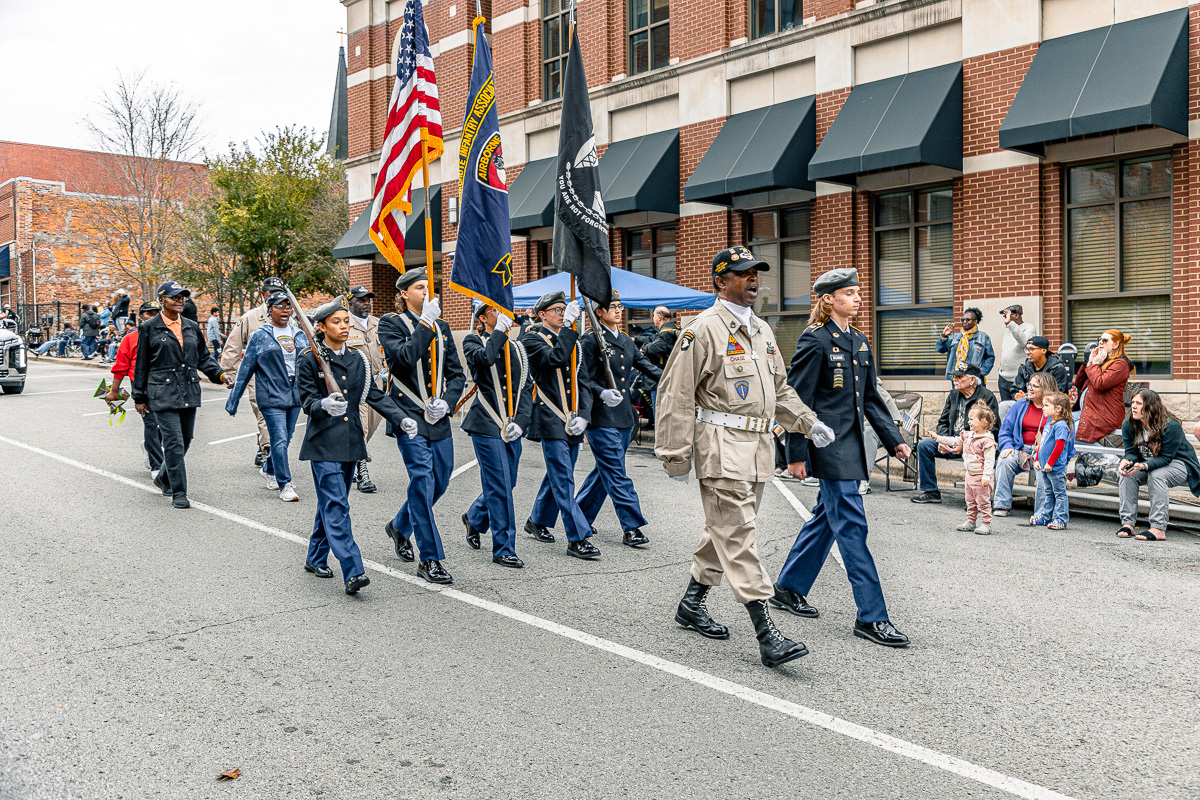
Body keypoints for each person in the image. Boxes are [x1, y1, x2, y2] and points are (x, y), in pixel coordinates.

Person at [656, 246, 830, 668]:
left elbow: (780, 390)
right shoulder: (702, 330)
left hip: (757, 450)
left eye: (756, 273)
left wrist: (808, 423)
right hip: (720, 447)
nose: (753, 280)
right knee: (738, 536)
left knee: (724, 530)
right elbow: (676, 394)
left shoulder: (761, 330)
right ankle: (767, 633)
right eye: (743, 273)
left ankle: (691, 603)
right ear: (720, 282)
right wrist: (675, 454)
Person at [777, 267, 914, 649]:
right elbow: (796, 401)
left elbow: (870, 398)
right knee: (852, 526)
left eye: (857, 292)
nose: (857, 298)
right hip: (828, 448)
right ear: (828, 299)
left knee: (827, 518)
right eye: (849, 293)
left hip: (851, 446)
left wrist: (894, 440)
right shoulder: (815, 340)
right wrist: (795, 454)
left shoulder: (858, 340)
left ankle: (788, 588)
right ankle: (871, 616)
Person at [378, 268, 465, 584]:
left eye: (429, 286)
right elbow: (404, 357)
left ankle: (400, 525)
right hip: (408, 416)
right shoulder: (390, 323)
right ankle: (430, 558)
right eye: (419, 287)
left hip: (436, 416)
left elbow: (457, 374)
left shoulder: (442, 326)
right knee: (422, 481)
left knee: (440, 480)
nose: (427, 291)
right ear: (404, 294)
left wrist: (448, 402)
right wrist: (425, 323)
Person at [296, 298, 374, 595]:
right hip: (324, 442)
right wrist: (323, 405)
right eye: (336, 322)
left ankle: (315, 557)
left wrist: (402, 417)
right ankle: (353, 570)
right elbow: (307, 402)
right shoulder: (309, 358)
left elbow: (371, 395)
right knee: (337, 504)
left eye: (346, 321)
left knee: (332, 503)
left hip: (350, 441)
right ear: (321, 327)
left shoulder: (357, 358)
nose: (344, 326)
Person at [132, 281, 232, 509]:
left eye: (182, 297)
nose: (180, 300)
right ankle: (179, 492)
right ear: (162, 300)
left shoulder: (191, 326)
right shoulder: (149, 327)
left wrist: (220, 375)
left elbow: (203, 357)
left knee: (186, 440)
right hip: (162, 391)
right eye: (174, 297)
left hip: (188, 389)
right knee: (174, 443)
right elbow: (141, 364)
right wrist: (139, 397)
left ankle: (162, 477)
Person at [576, 294, 662, 547]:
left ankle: (579, 516)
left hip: (624, 417)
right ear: (598, 312)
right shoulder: (590, 340)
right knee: (616, 472)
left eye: (619, 306)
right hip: (601, 416)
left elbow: (646, 365)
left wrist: (673, 377)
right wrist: (600, 392)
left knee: (604, 471)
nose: (617, 310)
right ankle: (631, 526)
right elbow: (583, 378)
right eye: (611, 306)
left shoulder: (624, 339)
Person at [521, 291, 598, 558]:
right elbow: (554, 359)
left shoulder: (571, 340)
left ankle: (538, 519)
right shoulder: (532, 339)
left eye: (564, 310)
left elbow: (583, 381)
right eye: (556, 310)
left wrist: (584, 415)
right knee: (564, 478)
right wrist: (567, 328)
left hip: (571, 419)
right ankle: (577, 538)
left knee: (557, 474)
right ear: (542, 315)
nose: (562, 314)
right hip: (549, 417)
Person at [461, 300, 532, 569]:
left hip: (511, 424)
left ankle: (475, 517)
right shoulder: (473, 341)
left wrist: (521, 422)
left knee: (507, 482)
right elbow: (484, 360)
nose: (501, 314)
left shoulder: (516, 347)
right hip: (486, 423)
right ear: (482, 318)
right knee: (501, 486)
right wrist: (499, 332)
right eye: (494, 310)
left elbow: (526, 386)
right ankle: (504, 547)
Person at [226, 292, 307, 503]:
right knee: (278, 439)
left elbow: (310, 365)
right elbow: (246, 369)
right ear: (269, 309)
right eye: (279, 306)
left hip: (294, 395)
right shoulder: (260, 335)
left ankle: (269, 468)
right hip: (271, 395)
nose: (285, 310)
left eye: (288, 306)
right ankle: (285, 484)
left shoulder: (299, 334)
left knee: (286, 438)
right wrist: (233, 401)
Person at [1116, 389, 1200, 541]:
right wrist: (1126, 461)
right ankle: (1128, 524)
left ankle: (1158, 527)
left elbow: (1166, 458)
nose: (1133, 406)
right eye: (1133, 402)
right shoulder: (1129, 424)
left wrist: (1144, 466)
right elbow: (1131, 453)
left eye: (1139, 403)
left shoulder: (1170, 426)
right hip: (1148, 463)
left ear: (1150, 407)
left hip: (1180, 464)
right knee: (1127, 475)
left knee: (1157, 475)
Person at [910, 363, 999, 504]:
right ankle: (931, 491)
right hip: (951, 442)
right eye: (954, 376)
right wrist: (942, 441)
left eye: (960, 377)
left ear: (972, 380)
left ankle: (979, 499)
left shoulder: (987, 397)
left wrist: (965, 444)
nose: (955, 379)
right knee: (924, 445)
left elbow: (992, 428)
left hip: (974, 445)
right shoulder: (953, 395)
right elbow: (942, 422)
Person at [220, 278, 284, 468]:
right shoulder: (251, 317)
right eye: (271, 292)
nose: (275, 296)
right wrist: (228, 373)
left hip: (282, 376)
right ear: (263, 294)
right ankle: (267, 451)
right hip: (258, 374)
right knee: (264, 411)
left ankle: (263, 445)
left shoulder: (288, 316)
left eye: (279, 292)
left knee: (278, 414)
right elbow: (233, 344)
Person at [106, 302, 164, 479]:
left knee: (167, 425)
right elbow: (120, 367)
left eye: (156, 313)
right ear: (140, 317)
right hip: (142, 387)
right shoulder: (130, 338)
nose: (152, 317)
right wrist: (114, 391)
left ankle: (149, 445)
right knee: (151, 423)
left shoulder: (166, 335)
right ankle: (156, 465)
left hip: (165, 385)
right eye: (148, 313)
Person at [992, 372, 1058, 517]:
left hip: (1044, 452)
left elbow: (1065, 435)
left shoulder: (1056, 409)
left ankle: (1042, 513)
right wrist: (1007, 446)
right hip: (1020, 448)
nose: (1029, 388)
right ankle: (1002, 504)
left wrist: (1048, 451)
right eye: (1029, 384)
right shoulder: (1021, 404)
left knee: (1043, 471)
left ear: (1046, 389)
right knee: (1004, 461)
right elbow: (1005, 430)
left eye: (1035, 386)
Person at [930, 402, 998, 534]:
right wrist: (938, 438)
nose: (969, 422)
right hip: (969, 475)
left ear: (983, 422)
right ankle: (971, 521)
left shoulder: (987, 441)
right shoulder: (968, 435)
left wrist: (986, 476)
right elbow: (954, 441)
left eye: (972, 419)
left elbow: (990, 461)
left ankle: (986, 524)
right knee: (970, 500)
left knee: (983, 502)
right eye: (969, 419)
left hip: (981, 477)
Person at [346, 285, 383, 493]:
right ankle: (363, 473)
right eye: (361, 300)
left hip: (377, 384)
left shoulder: (378, 323)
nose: (366, 303)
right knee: (361, 428)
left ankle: (350, 460)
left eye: (368, 300)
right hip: (356, 385)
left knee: (371, 426)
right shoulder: (344, 324)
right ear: (350, 302)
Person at [1071, 329, 1133, 443]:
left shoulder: (1120, 364)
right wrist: (1090, 362)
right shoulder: (1101, 361)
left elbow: (1100, 384)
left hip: (1104, 415)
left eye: (1105, 340)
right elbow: (1078, 384)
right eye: (1099, 339)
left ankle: (1103, 454)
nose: (1100, 342)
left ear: (1115, 345)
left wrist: (1094, 365)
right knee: (1057, 423)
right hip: (1088, 411)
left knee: (1071, 434)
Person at [1029, 393, 1075, 530]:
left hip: (1054, 467)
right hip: (1044, 466)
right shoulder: (1050, 423)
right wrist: (1037, 459)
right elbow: (1042, 443)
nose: (1043, 408)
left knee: (1059, 493)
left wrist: (1050, 463)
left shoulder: (1061, 426)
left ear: (1058, 408)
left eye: (1046, 405)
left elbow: (1059, 446)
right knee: (1048, 492)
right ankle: (1046, 516)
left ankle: (1061, 519)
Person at [1001, 335, 1071, 422]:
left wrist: (1031, 398)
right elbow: (1015, 389)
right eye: (1027, 349)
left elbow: (1058, 394)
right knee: (1004, 406)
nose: (1028, 352)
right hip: (1026, 405)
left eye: (1031, 349)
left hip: (1049, 407)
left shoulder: (1057, 368)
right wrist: (1018, 396)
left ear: (1043, 351)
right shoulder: (1024, 368)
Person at [859, 375, 903, 494]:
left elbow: (888, 419)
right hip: (861, 429)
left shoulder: (875, 390)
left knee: (868, 432)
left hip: (885, 430)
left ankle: (863, 479)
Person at [639, 305, 679, 419]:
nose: (653, 318)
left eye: (653, 315)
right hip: (669, 378)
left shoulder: (666, 333)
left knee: (660, 415)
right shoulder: (673, 329)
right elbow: (652, 339)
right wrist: (635, 339)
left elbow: (653, 348)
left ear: (659, 316)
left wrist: (643, 348)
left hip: (660, 379)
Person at [935, 307, 994, 382]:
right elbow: (939, 348)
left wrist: (981, 372)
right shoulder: (954, 337)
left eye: (968, 320)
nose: (965, 322)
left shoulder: (983, 337)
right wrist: (944, 336)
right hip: (957, 378)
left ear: (975, 321)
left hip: (974, 379)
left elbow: (990, 357)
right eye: (963, 320)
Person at [997, 305, 1035, 401]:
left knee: (1019, 406)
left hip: (1018, 379)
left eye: (1008, 315)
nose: (1005, 318)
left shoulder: (1029, 327)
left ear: (1017, 315)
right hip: (1003, 377)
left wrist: (1011, 324)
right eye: (1005, 316)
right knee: (1005, 406)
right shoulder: (1009, 328)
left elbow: (1025, 342)